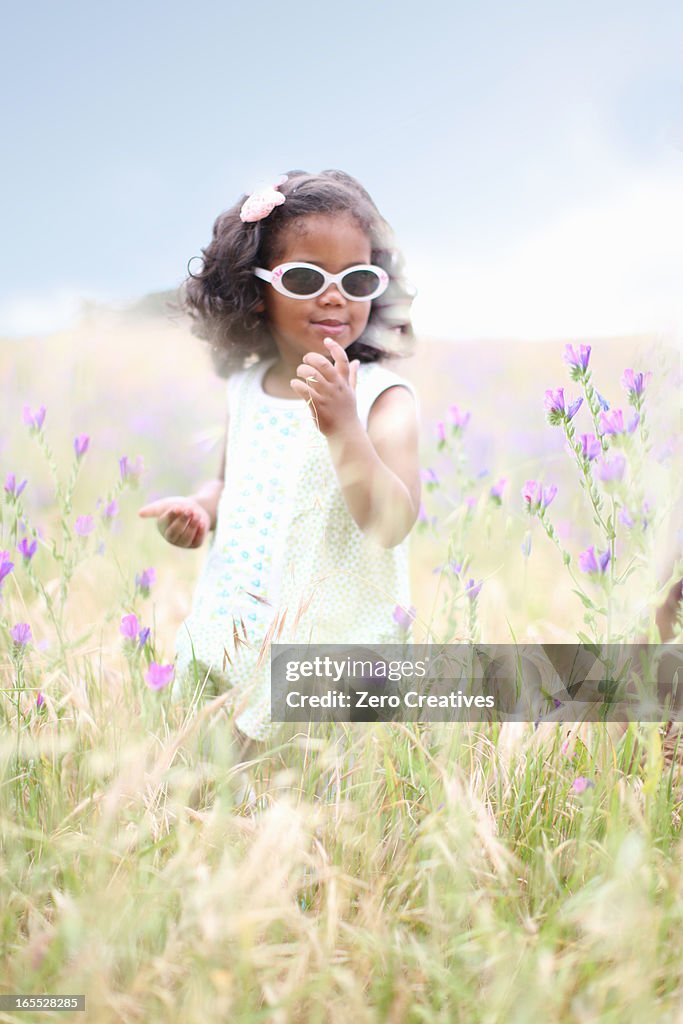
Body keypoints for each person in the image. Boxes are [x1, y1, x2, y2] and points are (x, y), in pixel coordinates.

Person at [139, 169, 421, 744]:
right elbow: (231, 482)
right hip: (237, 623)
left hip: (329, 639)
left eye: (357, 278)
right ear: (255, 289)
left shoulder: (382, 398)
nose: (335, 295)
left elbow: (391, 523)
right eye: (303, 276)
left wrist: (344, 425)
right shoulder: (245, 389)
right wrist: (200, 509)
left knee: (311, 794)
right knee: (214, 780)